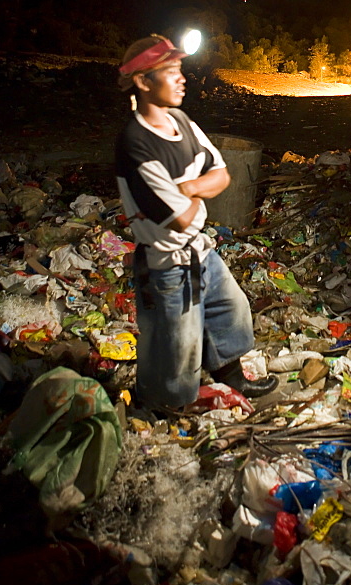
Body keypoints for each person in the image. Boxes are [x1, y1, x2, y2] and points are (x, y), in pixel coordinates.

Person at [115, 34, 278, 411]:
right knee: (175, 350)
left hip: (199, 248)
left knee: (230, 309)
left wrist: (186, 185)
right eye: (170, 71)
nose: (182, 78)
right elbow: (182, 215)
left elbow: (223, 175)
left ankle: (233, 378)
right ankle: (163, 410)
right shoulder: (136, 143)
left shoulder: (181, 122)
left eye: (180, 69)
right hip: (166, 263)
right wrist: (200, 187)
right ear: (142, 81)